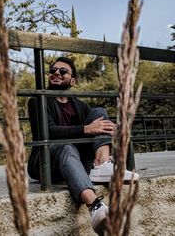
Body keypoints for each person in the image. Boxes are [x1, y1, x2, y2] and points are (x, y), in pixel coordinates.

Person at [27, 57, 139, 235]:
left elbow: (98, 125)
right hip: (45, 160)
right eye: (53, 70)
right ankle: (95, 206)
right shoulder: (37, 101)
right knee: (67, 147)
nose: (56, 73)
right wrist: (86, 128)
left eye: (63, 71)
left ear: (72, 80)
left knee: (99, 113)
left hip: (77, 160)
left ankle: (102, 164)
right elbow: (47, 132)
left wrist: (111, 129)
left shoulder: (79, 105)